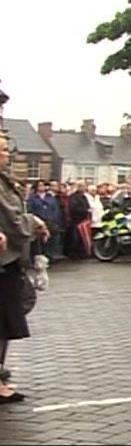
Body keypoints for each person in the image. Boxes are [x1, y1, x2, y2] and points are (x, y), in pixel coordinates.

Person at [0, 133, 49, 403]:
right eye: (5, 151)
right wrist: (35, 222)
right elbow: (16, 223)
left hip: (9, 262)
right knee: (5, 320)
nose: (9, 155)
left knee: (10, 317)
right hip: (4, 263)